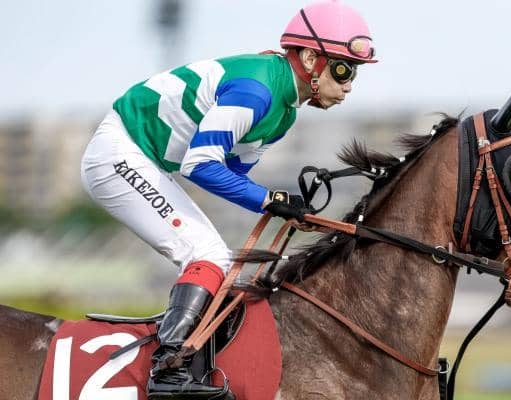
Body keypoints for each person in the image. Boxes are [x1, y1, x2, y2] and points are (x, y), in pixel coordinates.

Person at [80, 0, 377, 398]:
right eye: (343, 69)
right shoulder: (257, 89)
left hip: (146, 160)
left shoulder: (285, 112)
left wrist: (285, 205)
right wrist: (269, 199)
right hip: (119, 154)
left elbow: (231, 174)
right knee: (208, 255)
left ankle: (187, 364)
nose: (349, 84)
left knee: (219, 261)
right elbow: (200, 165)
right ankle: (167, 372)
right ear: (310, 58)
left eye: (353, 71)